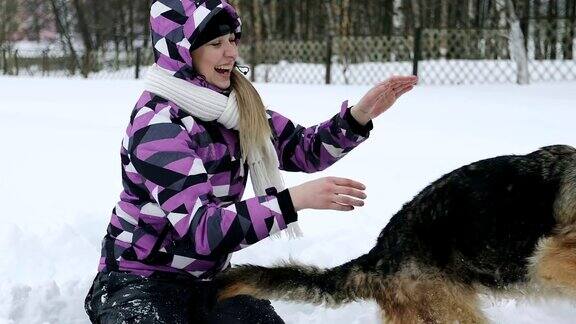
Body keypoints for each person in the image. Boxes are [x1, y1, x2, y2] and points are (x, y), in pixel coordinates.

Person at [84, 1, 418, 323]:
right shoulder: (157, 125)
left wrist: (359, 116)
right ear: (182, 53)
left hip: (208, 281)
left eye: (231, 40)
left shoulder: (235, 110)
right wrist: (294, 200)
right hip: (137, 281)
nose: (230, 52)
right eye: (215, 43)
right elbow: (204, 229)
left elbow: (304, 149)